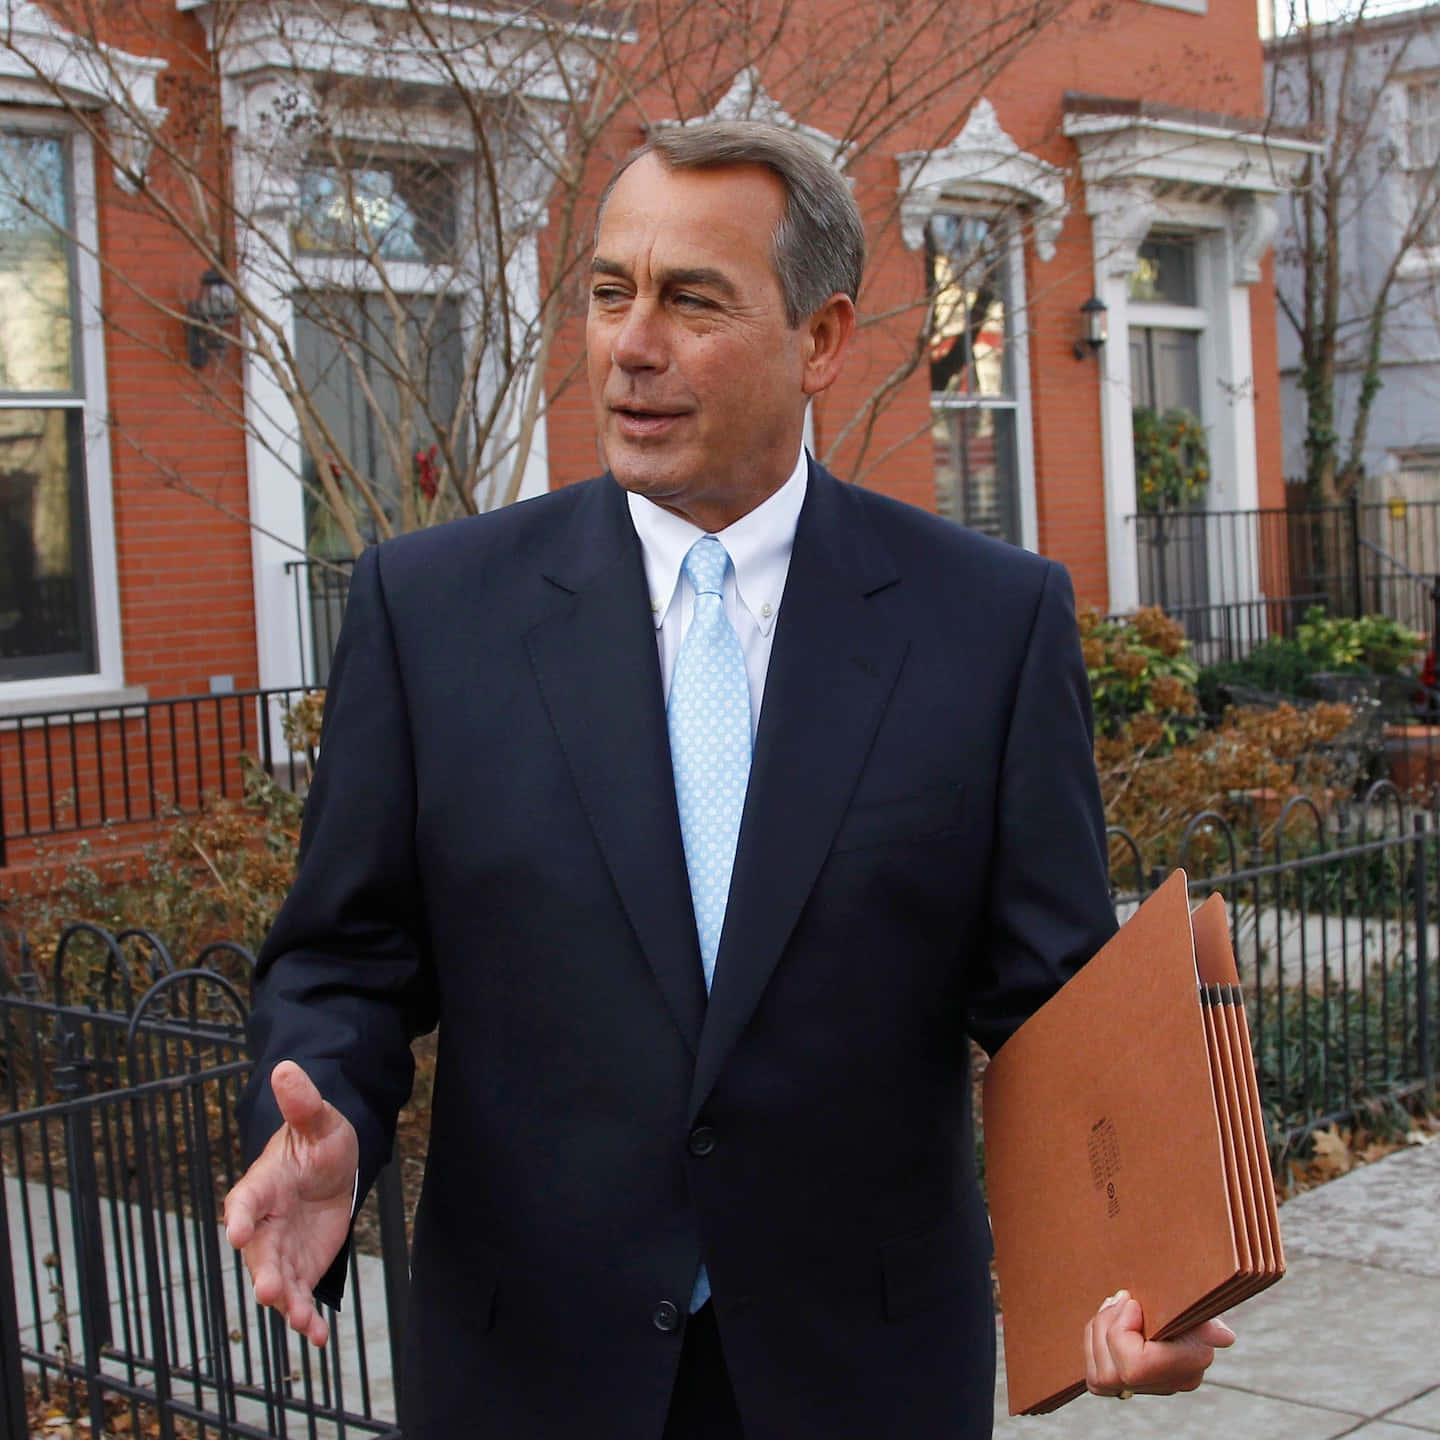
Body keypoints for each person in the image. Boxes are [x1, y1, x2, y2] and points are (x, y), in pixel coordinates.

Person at [224, 120, 1234, 1438]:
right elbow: (341, 962)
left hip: (859, 1379)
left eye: (692, 300)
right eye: (608, 293)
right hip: (529, 1373)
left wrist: (1141, 1270)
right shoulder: (434, 613)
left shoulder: (987, 623)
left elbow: (1050, 1009)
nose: (631, 344)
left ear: (820, 340)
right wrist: (324, 1117)